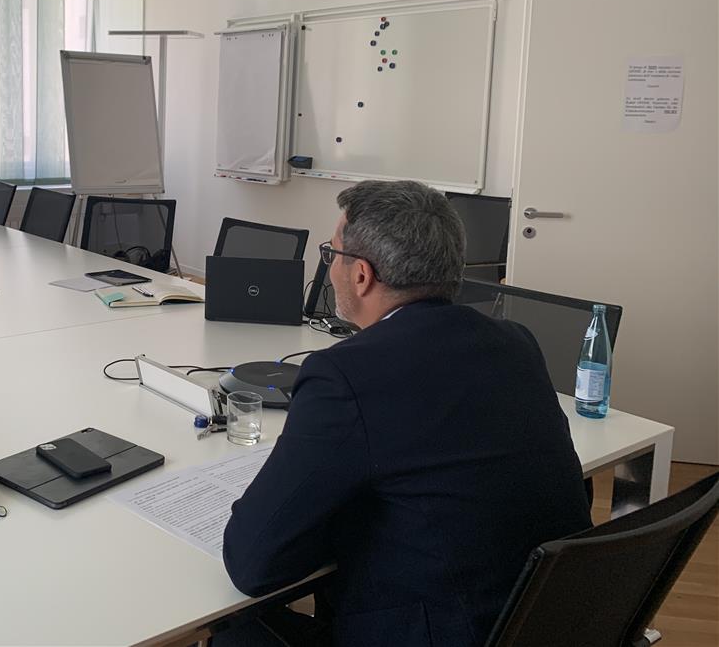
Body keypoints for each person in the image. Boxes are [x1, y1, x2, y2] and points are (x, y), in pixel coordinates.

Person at [219, 180, 592, 647]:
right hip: (549, 619)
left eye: (331, 254)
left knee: (235, 632)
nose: (330, 267)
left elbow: (252, 564)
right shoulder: (515, 342)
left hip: (441, 629)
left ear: (361, 275)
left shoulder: (346, 375)